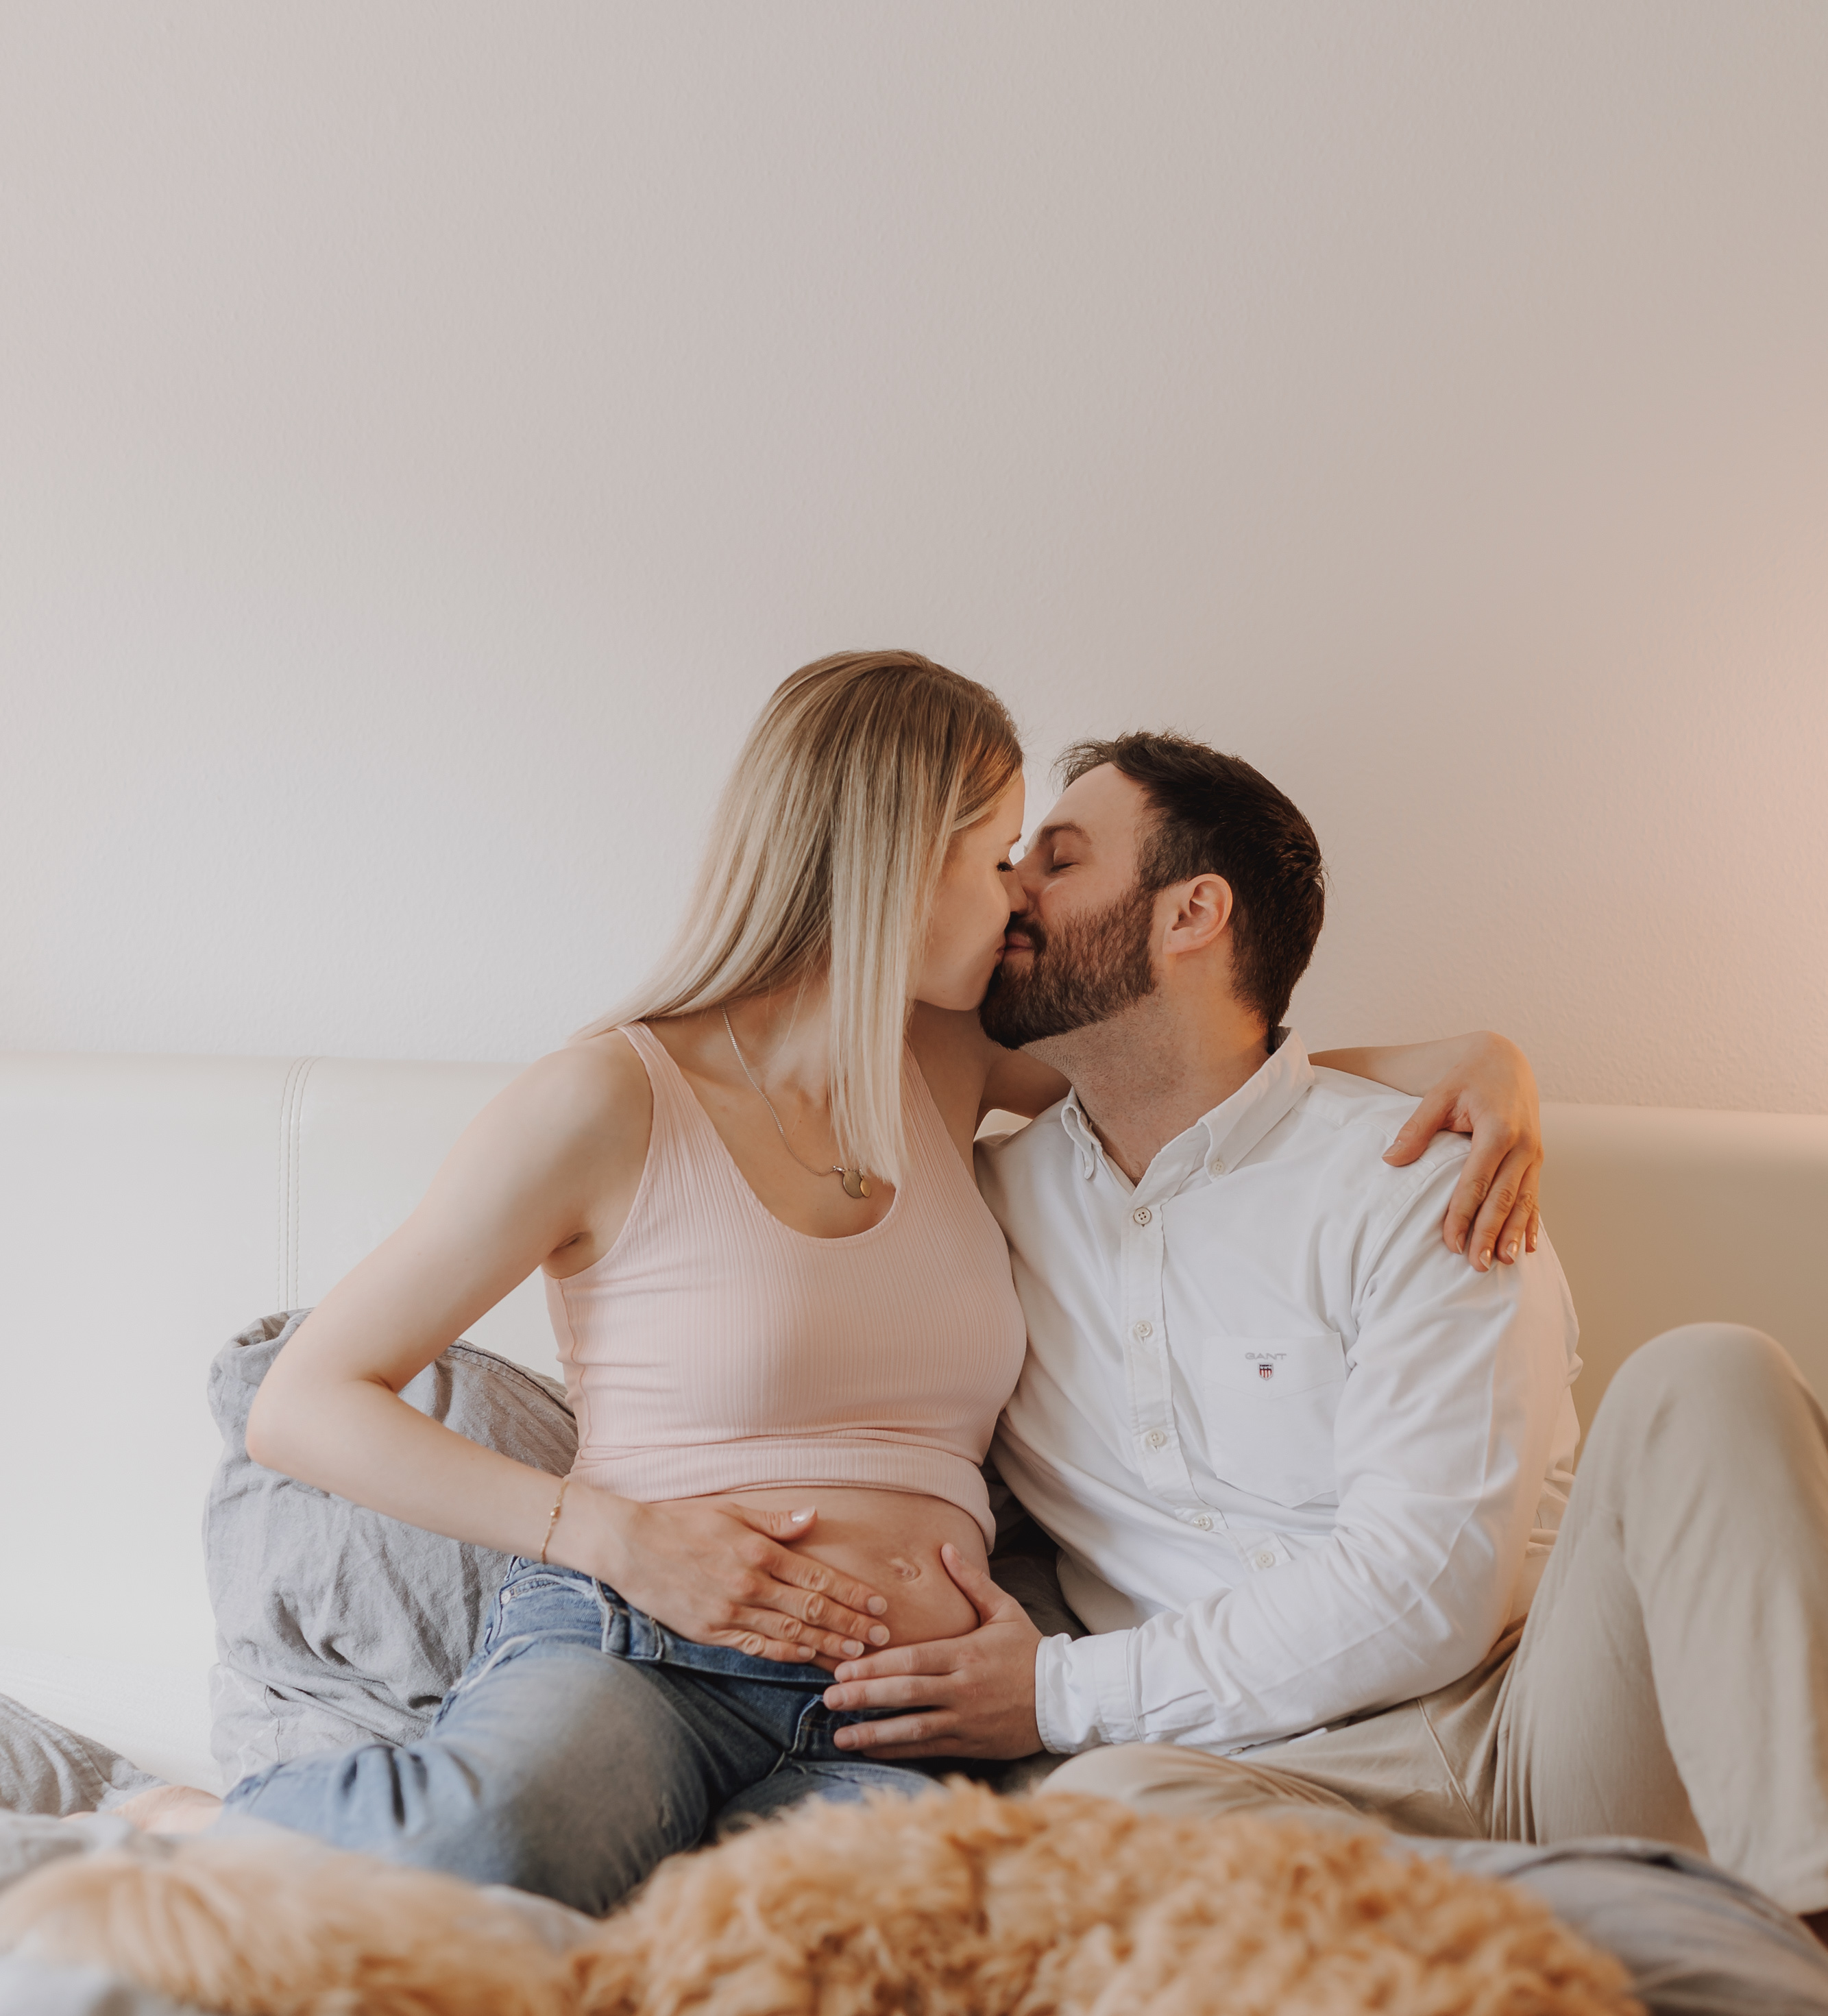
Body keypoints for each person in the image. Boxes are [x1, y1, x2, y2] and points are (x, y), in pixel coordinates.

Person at [115, 654, 1540, 1910]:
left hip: (901, 1707)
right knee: (493, 1843)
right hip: (649, 1644)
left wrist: (1473, 1061)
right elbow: (305, 1405)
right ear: (891, 857)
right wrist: (610, 1535)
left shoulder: (951, 1063)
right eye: (998, 857)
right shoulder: (607, 1098)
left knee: (868, 1955)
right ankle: (188, 1826)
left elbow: (1191, 1063)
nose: (1017, 901)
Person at [820, 731, 1828, 1934]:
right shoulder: (976, 1217)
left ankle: (1797, 1926)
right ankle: (1580, 1946)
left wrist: (1050, 1690)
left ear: (1193, 912)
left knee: (1707, 1376)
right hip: (1257, 1783)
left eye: (1061, 858)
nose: (1013, 890)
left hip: (1534, 1731)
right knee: (1100, 1811)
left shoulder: (1417, 1175)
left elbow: (1426, 1590)